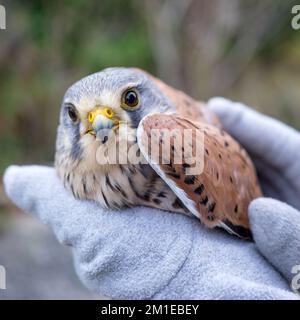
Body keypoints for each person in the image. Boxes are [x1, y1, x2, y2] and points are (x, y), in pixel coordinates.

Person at [3, 98, 300, 299]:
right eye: (76, 115)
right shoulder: (71, 170)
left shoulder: (167, 142)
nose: (101, 121)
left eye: (127, 101)